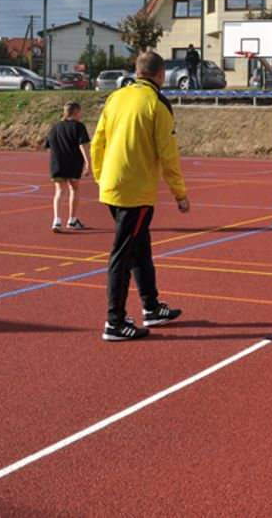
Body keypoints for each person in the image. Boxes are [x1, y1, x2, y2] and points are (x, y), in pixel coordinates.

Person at [92, 51, 190, 342]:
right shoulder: (157, 104)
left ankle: (151, 306)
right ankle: (115, 321)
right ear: (161, 75)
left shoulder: (116, 97)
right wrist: (179, 193)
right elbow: (168, 152)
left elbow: (99, 141)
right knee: (122, 254)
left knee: (140, 248)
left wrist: (102, 178)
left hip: (113, 186)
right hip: (135, 193)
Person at [45, 101, 91, 232]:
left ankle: (57, 221)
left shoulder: (55, 127)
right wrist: (88, 162)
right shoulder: (78, 126)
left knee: (59, 191)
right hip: (73, 162)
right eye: (80, 112)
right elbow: (83, 144)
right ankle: (72, 220)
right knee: (74, 189)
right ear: (76, 112)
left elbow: (49, 145)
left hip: (57, 162)